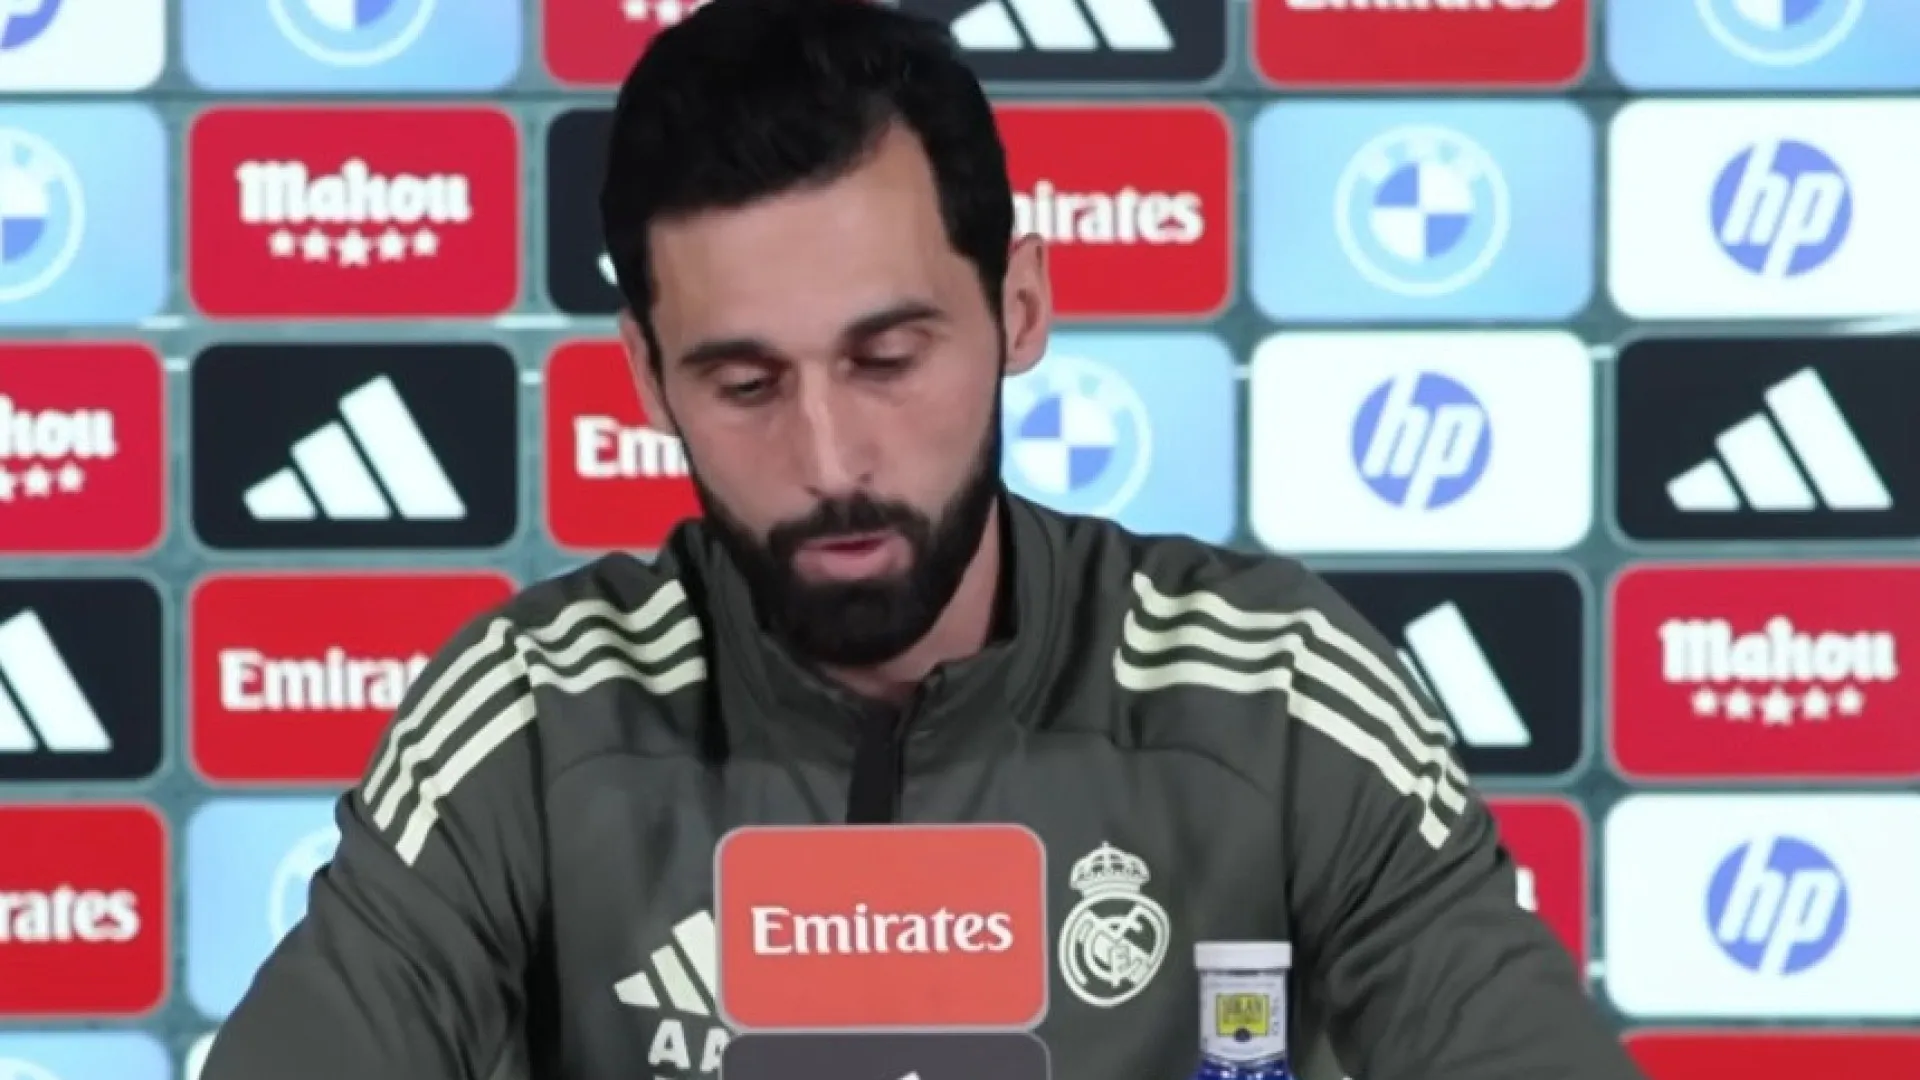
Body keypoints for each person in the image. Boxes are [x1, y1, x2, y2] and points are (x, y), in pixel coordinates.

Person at [203, 1, 1646, 1078]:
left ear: (1019, 308)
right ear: (646, 376)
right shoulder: (532, 717)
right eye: (745, 383)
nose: (831, 462)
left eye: (889, 359)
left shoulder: (1274, 696)